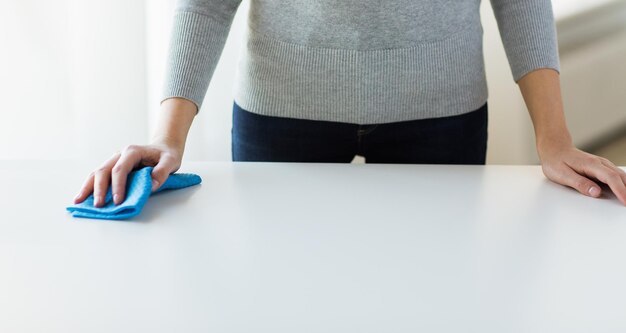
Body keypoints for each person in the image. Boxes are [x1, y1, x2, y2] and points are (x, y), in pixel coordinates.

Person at [74, 0, 626, 207]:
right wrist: (168, 135)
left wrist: (554, 139)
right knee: (281, 300)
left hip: (441, 112)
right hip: (281, 116)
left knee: (436, 298)